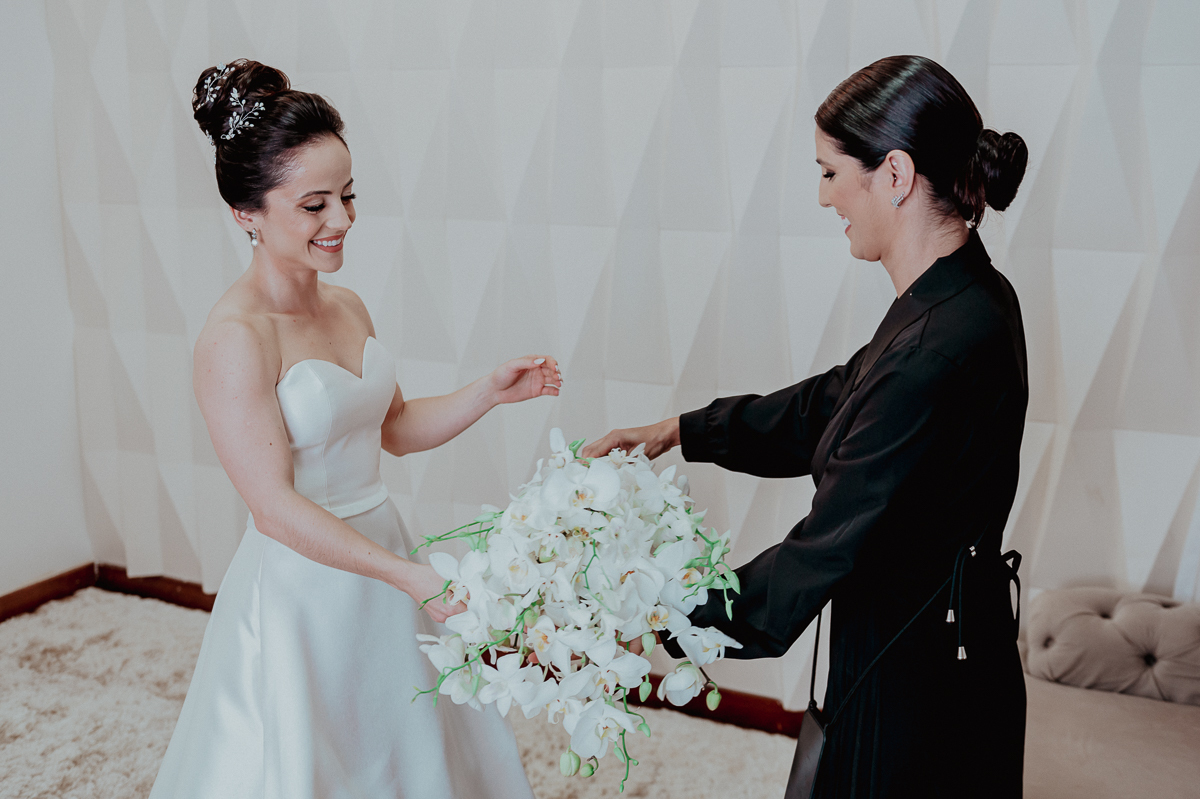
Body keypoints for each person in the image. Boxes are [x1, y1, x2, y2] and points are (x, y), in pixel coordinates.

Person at [584, 55, 1030, 798]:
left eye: (829, 173)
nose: (824, 197)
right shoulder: (970, 296)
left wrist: (655, 611)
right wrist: (677, 431)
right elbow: (831, 403)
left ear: (894, 174)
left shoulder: (932, 349)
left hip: (915, 680)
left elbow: (816, 557)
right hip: (949, 641)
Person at [150, 60, 557, 799]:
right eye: (314, 205)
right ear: (247, 212)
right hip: (308, 583)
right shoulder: (235, 339)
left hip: (386, 549)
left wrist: (486, 393)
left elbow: (393, 427)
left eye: (347, 196)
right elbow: (273, 508)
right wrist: (409, 577)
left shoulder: (348, 308)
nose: (342, 220)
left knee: (408, 740)